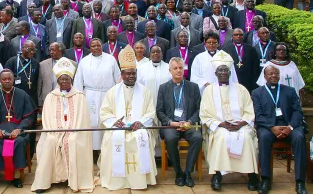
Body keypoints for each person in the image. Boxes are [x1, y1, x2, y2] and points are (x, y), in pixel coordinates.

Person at [98, 44, 157, 190]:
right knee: (114, 137)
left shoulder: (145, 91)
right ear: (122, 75)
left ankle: (140, 179)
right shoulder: (113, 91)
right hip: (118, 128)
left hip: (138, 128)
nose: (131, 76)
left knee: (141, 136)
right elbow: (104, 112)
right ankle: (118, 180)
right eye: (128, 73)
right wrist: (114, 122)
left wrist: (140, 122)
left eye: (133, 73)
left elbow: (150, 112)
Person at [31, 58, 94, 193]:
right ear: (57, 81)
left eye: (67, 79)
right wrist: (56, 131)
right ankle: (45, 181)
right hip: (54, 131)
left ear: (71, 80)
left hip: (75, 131)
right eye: (61, 79)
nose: (64, 82)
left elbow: (82, 120)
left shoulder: (79, 96)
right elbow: (46, 118)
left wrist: (71, 131)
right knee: (50, 141)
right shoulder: (51, 96)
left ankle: (74, 180)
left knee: (72, 140)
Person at [199, 52, 260, 191]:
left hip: (241, 124)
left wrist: (241, 123)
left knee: (246, 137)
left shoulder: (241, 89)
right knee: (221, 137)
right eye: (220, 70)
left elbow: (249, 112)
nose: (223, 72)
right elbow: (205, 114)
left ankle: (252, 174)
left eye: (226, 70)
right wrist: (221, 124)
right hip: (220, 125)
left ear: (230, 72)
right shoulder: (209, 90)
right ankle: (217, 174)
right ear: (215, 73)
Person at [253, 66, 308, 194]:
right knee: (265, 138)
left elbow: (297, 112)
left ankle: (300, 182)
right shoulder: (257, 93)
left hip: (290, 125)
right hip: (268, 126)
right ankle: (266, 179)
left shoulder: (289, 90)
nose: (273, 76)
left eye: (276, 73)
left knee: (299, 138)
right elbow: (258, 115)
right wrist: (272, 127)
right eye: (270, 73)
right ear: (265, 76)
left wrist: (290, 127)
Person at [0, 69, 36, 188]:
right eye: (4, 79)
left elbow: (30, 116)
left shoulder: (22, 95)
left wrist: (20, 128)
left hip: (18, 132)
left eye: (9, 78)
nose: (7, 81)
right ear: (0, 81)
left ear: (13, 79)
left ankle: (16, 177)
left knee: (19, 142)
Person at [156, 57, 202, 187]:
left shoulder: (193, 87)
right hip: (171, 125)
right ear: (170, 71)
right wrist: (171, 122)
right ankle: (178, 172)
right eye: (175, 68)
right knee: (170, 138)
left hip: (190, 124)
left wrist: (189, 121)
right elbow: (159, 111)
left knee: (197, 137)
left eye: (181, 68)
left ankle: (187, 172)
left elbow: (199, 109)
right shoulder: (163, 88)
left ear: (184, 70)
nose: (178, 71)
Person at [73, 39, 121, 155]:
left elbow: (118, 79)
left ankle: (107, 149)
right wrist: (79, 98)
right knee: (91, 122)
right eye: (93, 46)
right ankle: (92, 151)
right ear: (90, 48)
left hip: (107, 95)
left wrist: (117, 96)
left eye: (98, 45)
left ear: (102, 46)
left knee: (106, 121)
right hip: (90, 96)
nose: (96, 47)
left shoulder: (111, 59)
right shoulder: (84, 61)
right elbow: (78, 81)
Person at [222, 28, 260, 93]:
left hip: (248, 82)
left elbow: (255, 69)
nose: (238, 37)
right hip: (232, 81)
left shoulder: (251, 49)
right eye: (236, 35)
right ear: (232, 36)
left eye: (241, 35)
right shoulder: (226, 50)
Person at [37, 42, 71, 107]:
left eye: (54, 50)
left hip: (65, 98)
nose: (51, 52)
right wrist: (40, 104)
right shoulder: (43, 64)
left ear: (60, 51)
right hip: (47, 99)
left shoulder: (71, 64)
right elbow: (39, 85)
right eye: (50, 50)